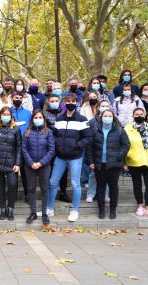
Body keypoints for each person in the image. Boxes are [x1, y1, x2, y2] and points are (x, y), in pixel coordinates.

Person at [47, 93, 91, 222]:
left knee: (75, 184)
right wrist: (57, 144)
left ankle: (75, 210)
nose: (70, 103)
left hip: (75, 157)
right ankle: (49, 208)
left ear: (76, 103)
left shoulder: (82, 119)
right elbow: (54, 134)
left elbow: (88, 137)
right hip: (60, 157)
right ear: (64, 103)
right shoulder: (59, 118)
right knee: (52, 182)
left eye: (72, 101)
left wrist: (77, 146)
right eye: (67, 101)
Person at [86, 109, 129, 219]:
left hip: (114, 165)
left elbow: (126, 145)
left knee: (113, 188)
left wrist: (118, 156)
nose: (107, 117)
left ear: (113, 117)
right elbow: (89, 147)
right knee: (100, 188)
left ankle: (113, 210)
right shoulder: (95, 130)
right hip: (99, 164)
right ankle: (101, 210)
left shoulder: (119, 130)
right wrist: (90, 162)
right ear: (101, 117)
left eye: (110, 116)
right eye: (105, 115)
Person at [125, 108, 148, 218]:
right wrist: (128, 156)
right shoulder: (127, 128)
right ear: (133, 115)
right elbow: (125, 144)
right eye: (137, 114)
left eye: (141, 114)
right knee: (137, 185)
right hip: (134, 161)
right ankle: (140, 205)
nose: (139, 116)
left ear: (144, 115)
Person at [22, 110, 55, 226]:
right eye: (36, 117)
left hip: (44, 166)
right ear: (32, 119)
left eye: (40, 117)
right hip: (30, 166)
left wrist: (41, 163)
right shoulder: (27, 132)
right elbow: (24, 149)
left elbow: (51, 150)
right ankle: (33, 212)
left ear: (44, 119)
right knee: (31, 189)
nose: (38, 119)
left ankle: (45, 213)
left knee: (45, 188)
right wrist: (31, 163)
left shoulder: (48, 132)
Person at [0, 107, 21, 220]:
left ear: (11, 116)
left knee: (12, 185)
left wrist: (17, 163)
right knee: (0, 186)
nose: (6, 116)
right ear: (0, 116)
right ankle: (3, 209)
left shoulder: (16, 129)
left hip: (12, 163)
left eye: (8, 114)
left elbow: (19, 147)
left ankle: (10, 208)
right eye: (4, 114)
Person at [42, 94, 71, 203]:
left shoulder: (64, 113)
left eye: (56, 101)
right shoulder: (44, 114)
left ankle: (63, 192)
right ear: (48, 102)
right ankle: (49, 192)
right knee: (49, 169)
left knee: (63, 170)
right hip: (48, 145)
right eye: (52, 101)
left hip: (62, 145)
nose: (54, 102)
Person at [85, 100, 111, 202]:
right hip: (96, 155)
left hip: (108, 155)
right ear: (98, 108)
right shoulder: (92, 122)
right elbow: (88, 141)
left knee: (108, 176)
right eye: (103, 106)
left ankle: (106, 194)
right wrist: (90, 160)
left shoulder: (113, 121)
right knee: (93, 175)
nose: (105, 107)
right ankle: (90, 194)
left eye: (107, 106)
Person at [11, 91, 32, 202]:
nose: (18, 99)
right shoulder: (8, 112)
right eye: (16, 97)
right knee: (12, 172)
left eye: (20, 97)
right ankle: (12, 195)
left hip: (24, 146)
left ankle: (27, 194)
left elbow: (30, 128)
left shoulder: (28, 113)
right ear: (12, 99)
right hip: (11, 146)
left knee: (25, 172)